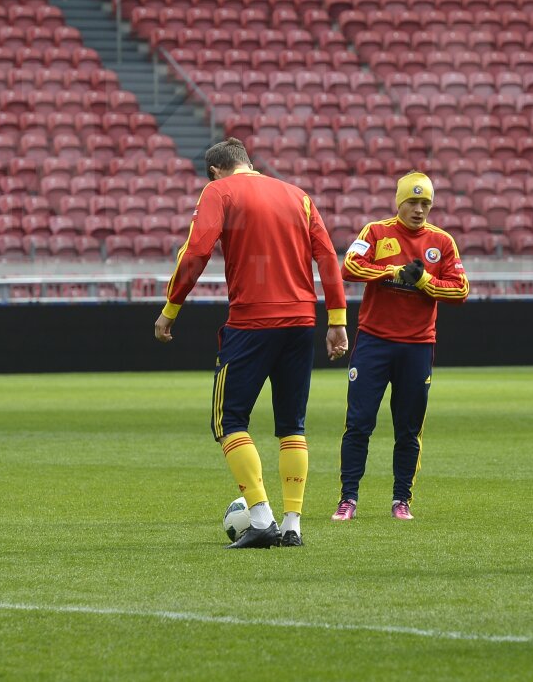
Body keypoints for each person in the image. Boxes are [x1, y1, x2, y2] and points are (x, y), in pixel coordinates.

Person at [154, 138, 348, 549]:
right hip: (300, 321)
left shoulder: (218, 191)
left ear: (214, 171)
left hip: (253, 321)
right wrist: (337, 320)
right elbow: (329, 257)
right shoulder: (298, 196)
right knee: (291, 426)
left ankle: (260, 517)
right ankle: (293, 524)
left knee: (229, 421)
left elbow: (196, 251)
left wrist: (171, 308)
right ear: (249, 162)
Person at [332, 171, 468, 523]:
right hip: (374, 343)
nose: (419, 210)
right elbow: (349, 266)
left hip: (417, 347)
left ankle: (401, 500)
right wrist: (391, 271)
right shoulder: (376, 232)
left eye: (426, 203)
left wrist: (423, 279)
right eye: (413, 202)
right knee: (359, 423)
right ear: (399, 203)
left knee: (408, 429)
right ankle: (348, 498)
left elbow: (460, 289)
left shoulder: (442, 242)